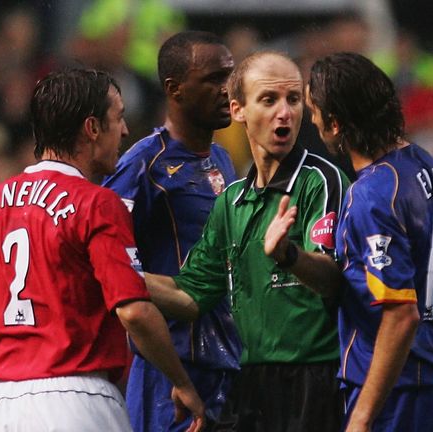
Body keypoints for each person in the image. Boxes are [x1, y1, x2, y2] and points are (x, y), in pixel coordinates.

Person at [0, 68, 205, 432]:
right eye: (119, 117)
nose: (126, 131)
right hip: (76, 398)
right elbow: (133, 311)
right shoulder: (97, 204)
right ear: (92, 128)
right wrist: (182, 382)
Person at [144, 51, 349, 431]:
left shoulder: (321, 181)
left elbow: (333, 280)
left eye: (293, 99)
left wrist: (288, 255)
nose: (284, 112)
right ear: (238, 110)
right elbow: (191, 296)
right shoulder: (231, 200)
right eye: (269, 100)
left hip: (313, 380)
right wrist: (120, 277)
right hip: (249, 380)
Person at [283, 51, 433, 431]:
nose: (312, 121)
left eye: (314, 112)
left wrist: (363, 416)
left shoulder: (371, 193)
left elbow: (401, 315)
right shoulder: (428, 167)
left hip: (397, 391)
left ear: (334, 124)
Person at [102, 31, 241, 432]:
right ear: (174, 89)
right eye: (213, 79)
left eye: (229, 77)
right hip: (169, 374)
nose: (225, 90)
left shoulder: (222, 159)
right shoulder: (144, 165)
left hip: (224, 365)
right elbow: (101, 259)